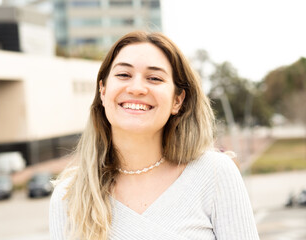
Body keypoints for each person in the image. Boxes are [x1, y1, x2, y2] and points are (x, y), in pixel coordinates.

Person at [49, 31, 259, 240]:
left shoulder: (214, 173)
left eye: (154, 78)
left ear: (177, 100)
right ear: (103, 90)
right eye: (123, 75)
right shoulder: (68, 196)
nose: (137, 88)